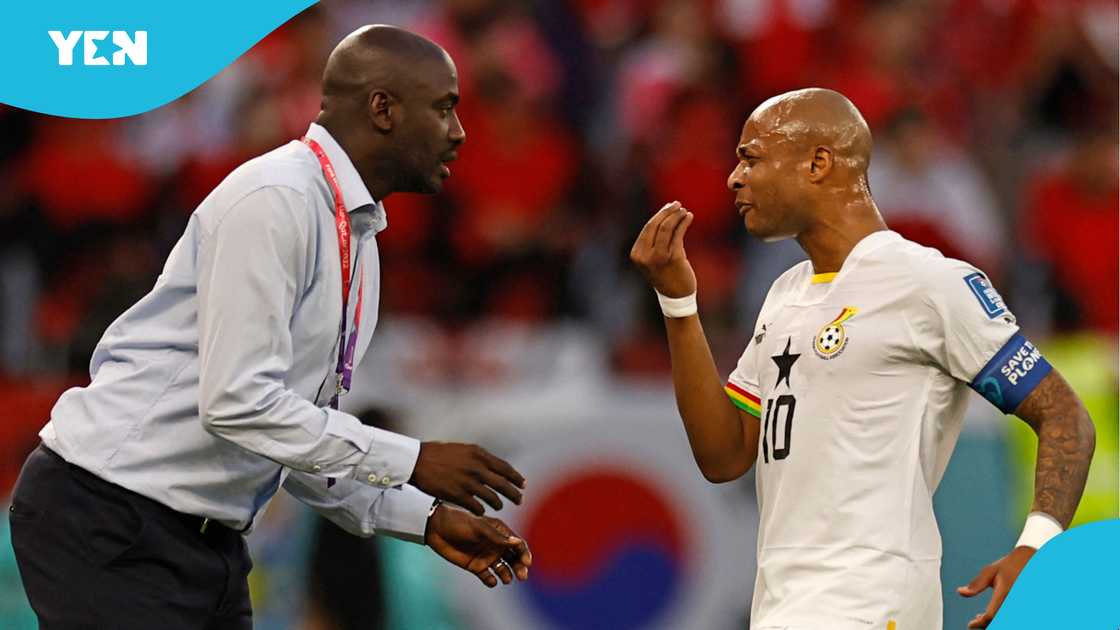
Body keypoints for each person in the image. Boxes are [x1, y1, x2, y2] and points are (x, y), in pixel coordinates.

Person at [8, 25, 532, 629]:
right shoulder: (276, 198)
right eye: (444, 109)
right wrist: (410, 458)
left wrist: (422, 517)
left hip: (204, 539)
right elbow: (235, 403)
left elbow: (292, 438)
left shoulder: (357, 234)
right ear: (383, 108)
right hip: (110, 513)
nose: (459, 132)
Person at [630, 88, 1095, 629]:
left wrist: (1035, 547)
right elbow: (724, 455)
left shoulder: (930, 283)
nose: (734, 178)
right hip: (784, 601)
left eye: (751, 157)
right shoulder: (784, 294)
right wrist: (679, 305)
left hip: (870, 599)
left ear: (818, 162)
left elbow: (1064, 413)